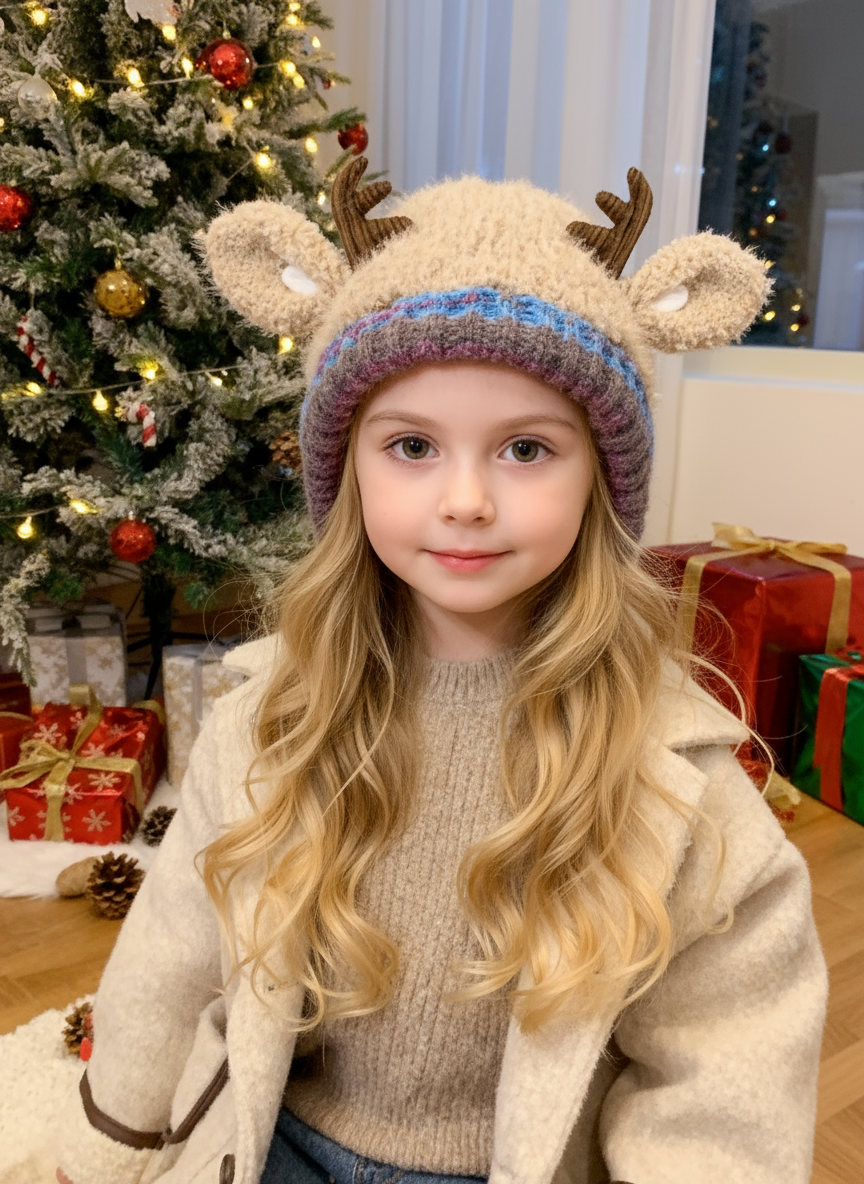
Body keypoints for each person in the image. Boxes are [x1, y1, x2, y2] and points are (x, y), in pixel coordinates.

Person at [56, 159, 827, 1184]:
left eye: (526, 450)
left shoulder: (674, 784)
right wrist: (111, 1140)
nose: (465, 500)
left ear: (601, 480)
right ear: (348, 468)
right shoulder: (270, 720)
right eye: (413, 445)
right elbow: (173, 951)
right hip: (276, 1139)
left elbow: (726, 1071)